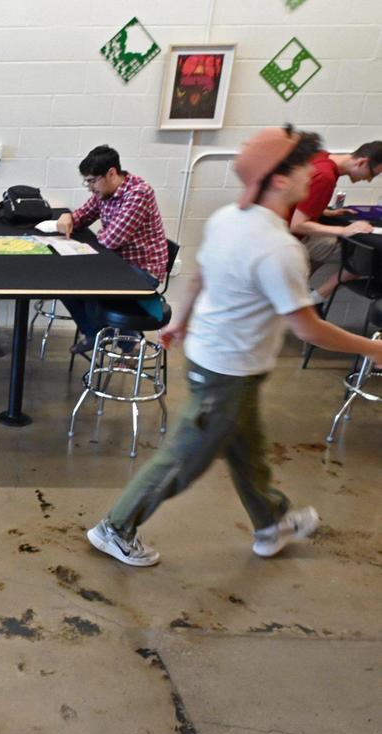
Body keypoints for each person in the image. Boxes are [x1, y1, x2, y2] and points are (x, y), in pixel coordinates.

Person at [85, 126, 382, 568]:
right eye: (303, 167)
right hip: (227, 371)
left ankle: (270, 524)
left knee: (248, 451)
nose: (312, 174)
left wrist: (181, 322)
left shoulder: (228, 218)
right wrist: (373, 349)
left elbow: (202, 275)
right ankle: (115, 527)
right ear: (279, 179)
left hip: (223, 363)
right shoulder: (279, 248)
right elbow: (308, 330)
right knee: (182, 461)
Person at [56, 145, 169, 353]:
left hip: (143, 270)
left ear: (111, 173)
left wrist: (86, 238)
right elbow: (82, 216)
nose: (90, 187)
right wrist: (68, 217)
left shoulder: (139, 193)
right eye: (86, 181)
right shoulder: (104, 192)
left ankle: (128, 342)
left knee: (90, 286)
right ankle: (95, 333)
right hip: (116, 263)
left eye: (92, 181)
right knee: (65, 283)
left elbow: (111, 240)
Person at [288, 140, 382, 300]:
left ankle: (297, 292)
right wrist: (344, 230)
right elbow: (297, 225)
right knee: (364, 256)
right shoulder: (326, 177)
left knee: (330, 242)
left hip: (275, 229)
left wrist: (323, 211)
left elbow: (297, 201)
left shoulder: (321, 157)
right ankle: (314, 299)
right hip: (289, 238)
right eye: (372, 174)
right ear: (362, 162)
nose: (368, 180)